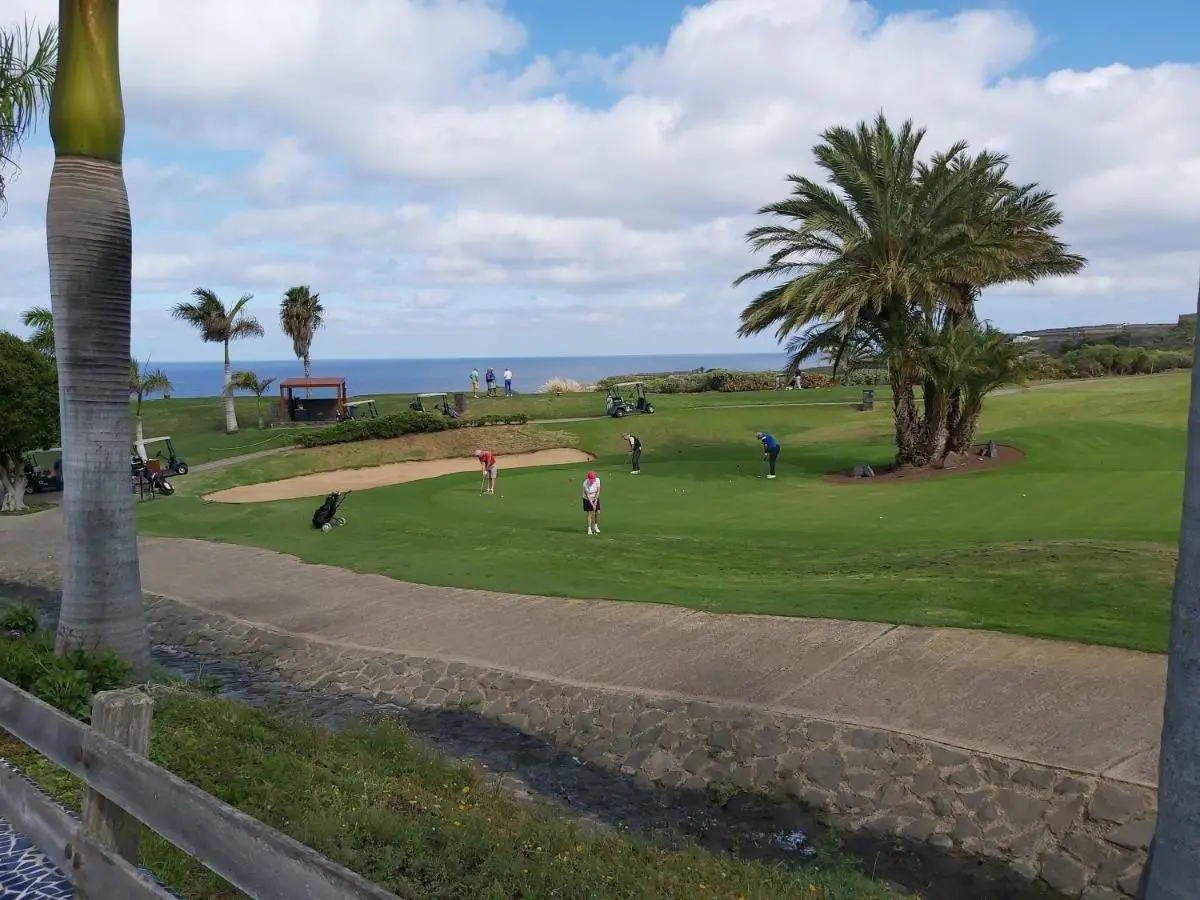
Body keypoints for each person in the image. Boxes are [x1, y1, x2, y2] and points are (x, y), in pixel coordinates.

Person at [582, 469, 602, 534]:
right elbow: (588, 495)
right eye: (591, 480)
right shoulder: (585, 483)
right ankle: (589, 529)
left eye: (593, 480)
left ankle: (595, 526)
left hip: (595, 497)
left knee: (598, 512)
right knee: (589, 513)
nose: (592, 481)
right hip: (587, 499)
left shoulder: (597, 480)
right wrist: (592, 504)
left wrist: (595, 502)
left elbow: (598, 491)